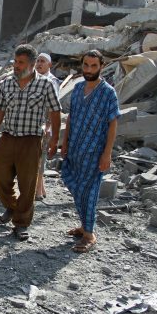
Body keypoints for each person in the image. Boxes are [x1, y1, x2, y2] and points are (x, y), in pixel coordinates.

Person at [0, 44, 61, 241]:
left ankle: (21, 223)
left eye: (21, 63)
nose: (16, 66)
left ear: (33, 64)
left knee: (27, 184)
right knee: (0, 175)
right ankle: (12, 207)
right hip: (8, 137)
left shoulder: (46, 85)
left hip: (31, 140)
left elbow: (55, 111)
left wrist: (54, 139)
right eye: (15, 62)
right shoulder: (6, 84)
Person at [61, 49, 120, 253]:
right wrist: (65, 141)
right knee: (74, 184)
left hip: (95, 152)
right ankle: (84, 226)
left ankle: (89, 234)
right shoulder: (77, 88)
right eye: (86, 65)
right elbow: (71, 117)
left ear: (101, 66)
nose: (89, 69)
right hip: (76, 148)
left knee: (89, 191)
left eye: (93, 66)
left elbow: (113, 123)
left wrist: (107, 153)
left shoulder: (107, 92)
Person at [34, 52, 57, 201]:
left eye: (42, 61)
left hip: (44, 124)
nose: (39, 64)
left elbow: (53, 106)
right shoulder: (34, 78)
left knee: (40, 158)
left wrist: (49, 125)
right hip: (33, 123)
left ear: (49, 64)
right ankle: (40, 189)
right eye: (37, 61)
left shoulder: (51, 81)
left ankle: (37, 190)